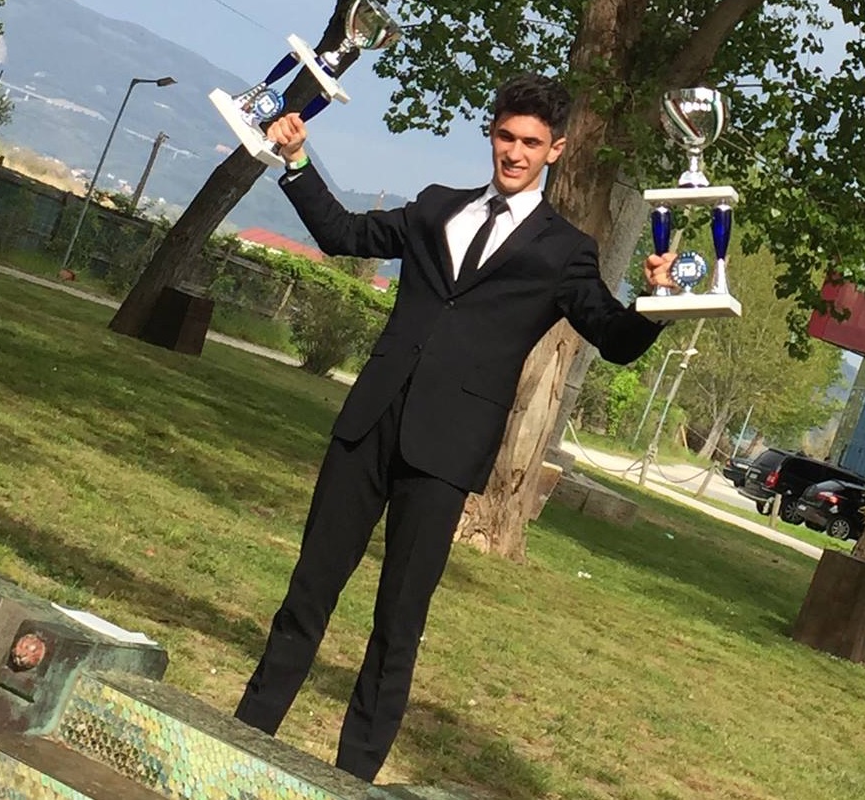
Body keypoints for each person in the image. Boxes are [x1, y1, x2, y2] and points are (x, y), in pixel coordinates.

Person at [235, 73, 675, 780]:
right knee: (307, 593)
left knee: (397, 625)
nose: (515, 152)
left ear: (555, 150)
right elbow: (343, 234)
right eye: (505, 136)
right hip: (369, 426)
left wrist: (654, 301)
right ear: (491, 135)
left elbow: (613, 336)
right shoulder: (436, 206)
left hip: (446, 451)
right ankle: (245, 736)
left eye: (530, 142)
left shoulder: (565, 250)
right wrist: (295, 160)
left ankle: (351, 781)